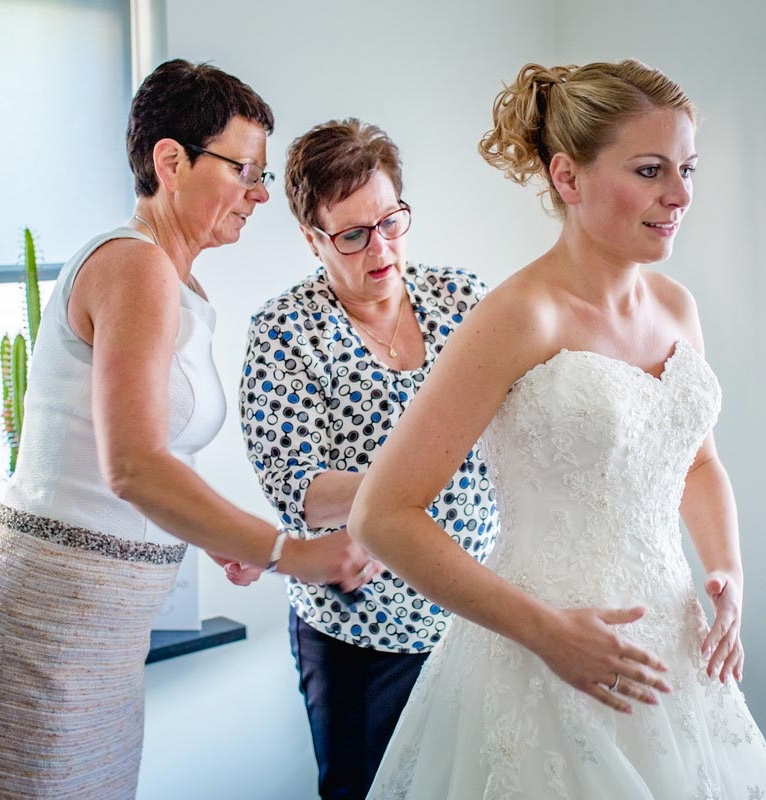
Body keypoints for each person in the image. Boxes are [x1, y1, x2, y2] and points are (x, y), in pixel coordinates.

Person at [0, 60, 371, 800]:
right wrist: (289, 552)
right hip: (43, 616)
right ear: (172, 161)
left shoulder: (178, 285)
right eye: (245, 170)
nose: (260, 194)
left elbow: (145, 454)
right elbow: (132, 464)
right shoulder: (133, 267)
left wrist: (218, 535)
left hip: (104, 630)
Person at [351, 60, 766, 798]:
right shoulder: (519, 315)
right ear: (567, 176)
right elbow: (381, 514)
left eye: (686, 169)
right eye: (651, 170)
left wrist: (729, 574)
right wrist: (548, 633)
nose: (680, 196)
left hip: (674, 653)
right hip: (540, 657)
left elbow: (697, 463)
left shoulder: (678, 308)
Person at [226, 118, 498, 799]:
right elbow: (299, 488)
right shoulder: (285, 329)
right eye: (352, 234)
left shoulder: (463, 300)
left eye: (391, 222)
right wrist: (413, 479)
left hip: (475, 611)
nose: (380, 248)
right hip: (360, 632)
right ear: (312, 238)